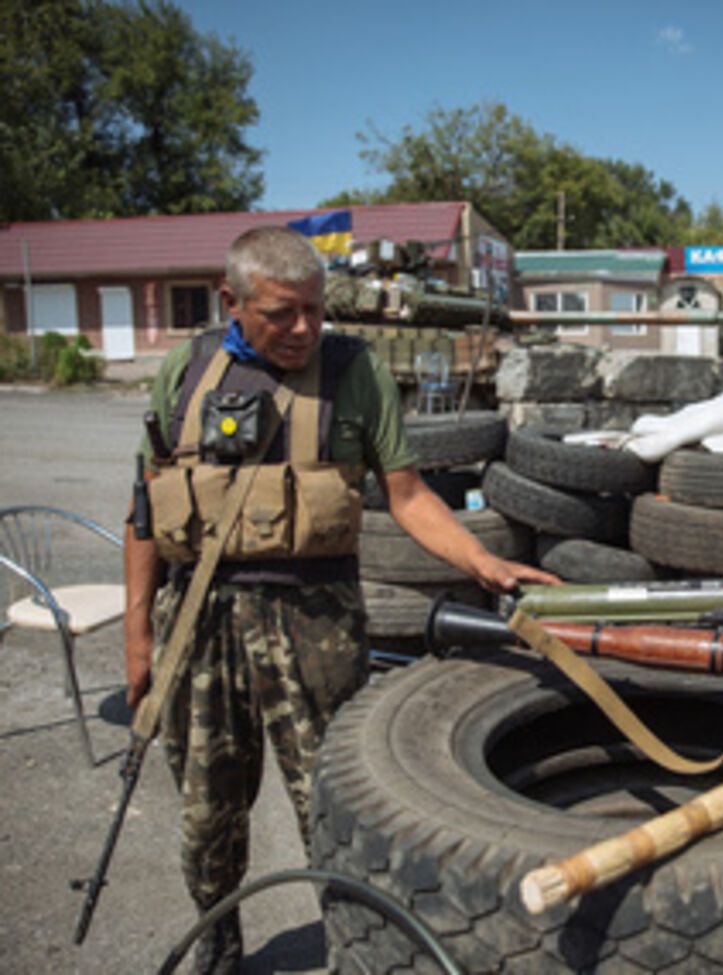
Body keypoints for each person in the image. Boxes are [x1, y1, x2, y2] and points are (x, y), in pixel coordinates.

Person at [122, 226, 558, 974]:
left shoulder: (355, 374)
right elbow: (145, 508)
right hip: (200, 618)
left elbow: (410, 495)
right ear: (232, 301)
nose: (302, 329)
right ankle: (219, 941)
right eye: (280, 314)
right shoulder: (186, 370)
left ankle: (355, 940)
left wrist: (484, 560)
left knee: (331, 800)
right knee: (206, 805)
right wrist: (136, 635)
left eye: (315, 311)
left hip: (314, 622)